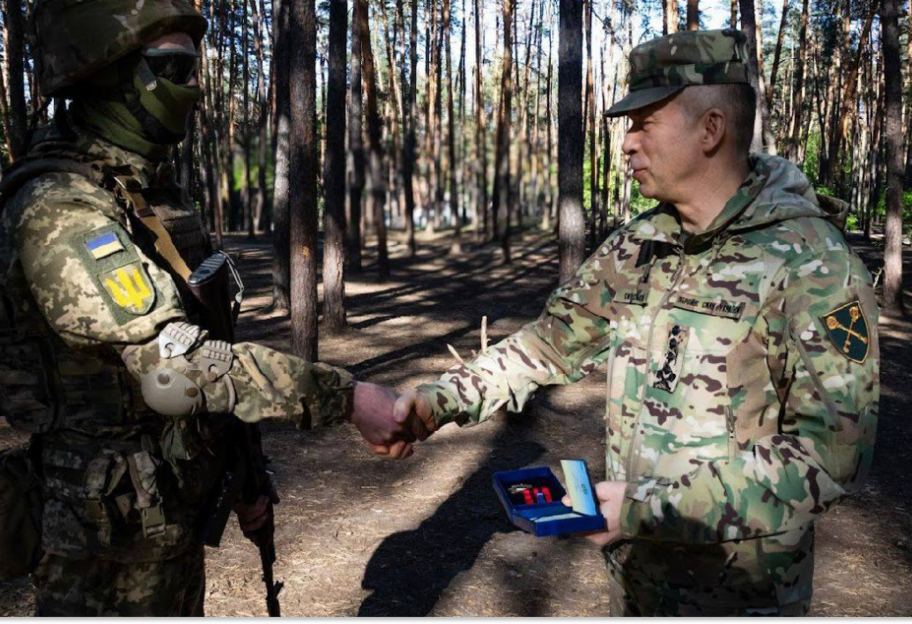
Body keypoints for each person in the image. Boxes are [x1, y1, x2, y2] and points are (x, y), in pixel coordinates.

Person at [394, 29, 879, 617]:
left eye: (644, 122)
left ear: (711, 129)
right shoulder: (639, 245)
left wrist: (647, 508)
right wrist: (434, 403)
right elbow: (548, 345)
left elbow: (828, 457)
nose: (626, 143)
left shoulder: (812, 263)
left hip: (740, 597)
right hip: (636, 584)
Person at [0, 0, 417, 616]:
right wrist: (349, 398)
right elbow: (177, 369)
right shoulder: (59, 208)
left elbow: (212, 339)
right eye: (173, 68)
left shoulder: (146, 197)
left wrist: (246, 476)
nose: (193, 88)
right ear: (107, 73)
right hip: (97, 543)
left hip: (165, 512)